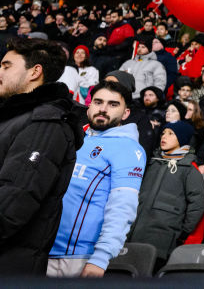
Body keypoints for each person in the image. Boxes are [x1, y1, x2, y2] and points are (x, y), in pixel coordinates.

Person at [0, 38, 84, 275]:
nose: (0, 72)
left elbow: (13, 203)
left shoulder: (46, 123)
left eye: (6, 66)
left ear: (34, 72)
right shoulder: (15, 118)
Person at [48, 81, 144, 277]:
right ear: (89, 105)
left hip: (76, 257)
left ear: (125, 113)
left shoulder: (128, 149)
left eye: (113, 104)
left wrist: (101, 258)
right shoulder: (73, 136)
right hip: (39, 245)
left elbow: (122, 207)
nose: (103, 109)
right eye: (98, 102)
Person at [128, 121, 204, 265]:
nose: (164, 136)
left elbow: (197, 203)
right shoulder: (153, 162)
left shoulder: (189, 169)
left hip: (163, 237)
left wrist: (184, 231)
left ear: (181, 139)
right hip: (135, 231)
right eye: (163, 133)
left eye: (171, 134)